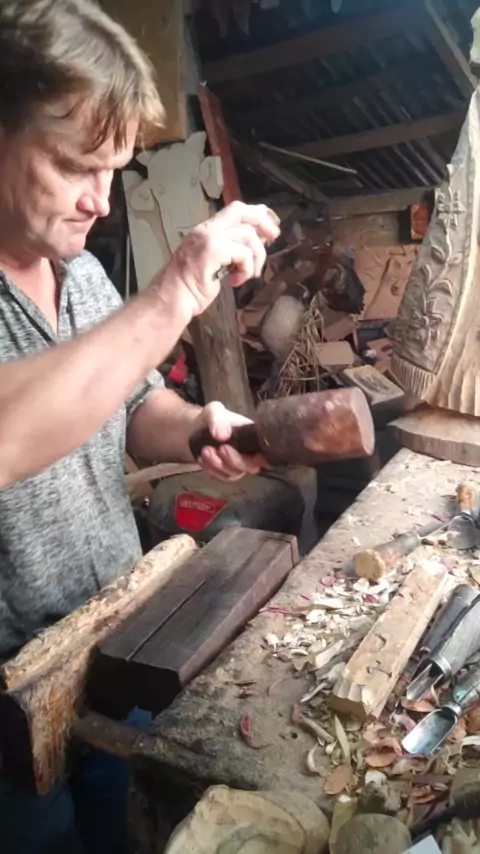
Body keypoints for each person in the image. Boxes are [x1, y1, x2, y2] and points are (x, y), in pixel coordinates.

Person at [0, 1, 281, 852]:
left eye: (113, 170)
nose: (100, 200)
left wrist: (195, 425)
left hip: (112, 641)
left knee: (124, 826)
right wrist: (177, 288)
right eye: (73, 166)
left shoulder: (80, 270)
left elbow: (128, 405)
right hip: (13, 695)